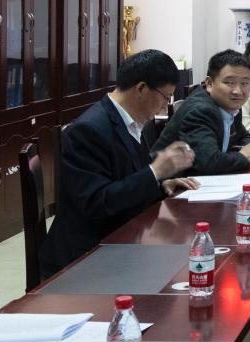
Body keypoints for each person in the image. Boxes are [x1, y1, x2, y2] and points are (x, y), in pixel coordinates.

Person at [40, 50, 199, 278]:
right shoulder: (88, 130)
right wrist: (155, 171)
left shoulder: (131, 121)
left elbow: (127, 176)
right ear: (142, 88)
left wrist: (161, 185)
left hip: (123, 239)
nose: (166, 106)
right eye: (166, 97)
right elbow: (97, 202)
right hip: (87, 256)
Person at [154, 50, 250, 174]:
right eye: (229, 82)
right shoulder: (200, 110)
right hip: (173, 183)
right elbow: (208, 162)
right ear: (209, 83)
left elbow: (243, 135)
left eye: (244, 83)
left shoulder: (230, 105)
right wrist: (243, 157)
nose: (238, 91)